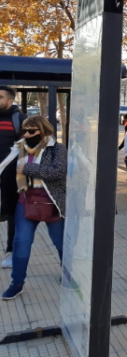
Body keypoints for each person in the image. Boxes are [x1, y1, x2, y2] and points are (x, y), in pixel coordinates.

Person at [0, 115, 66, 300]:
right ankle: (17, 283)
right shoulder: (20, 147)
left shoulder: (57, 150)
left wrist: (27, 169)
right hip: (26, 200)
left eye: (32, 130)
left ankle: (68, 275)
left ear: (43, 130)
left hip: (51, 202)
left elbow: (58, 172)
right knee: (21, 243)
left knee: (61, 242)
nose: (27, 134)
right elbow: (4, 166)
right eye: (25, 130)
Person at [0, 86, 27, 269]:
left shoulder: (21, 119)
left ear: (10, 100)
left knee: (11, 215)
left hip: (11, 176)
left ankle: (10, 250)